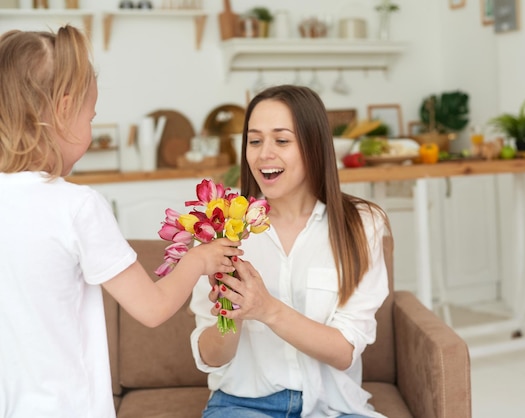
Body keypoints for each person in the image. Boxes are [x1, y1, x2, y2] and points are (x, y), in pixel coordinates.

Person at [0, 25, 243, 417]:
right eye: (90, 117)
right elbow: (153, 308)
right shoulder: (77, 206)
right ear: (63, 111)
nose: (91, 133)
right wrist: (199, 259)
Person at [190, 84, 391, 417]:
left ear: (314, 147)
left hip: (334, 408)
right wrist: (232, 314)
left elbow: (344, 351)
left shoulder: (362, 225)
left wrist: (266, 308)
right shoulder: (221, 227)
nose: (264, 153)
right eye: (254, 141)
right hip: (242, 405)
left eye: (281, 140)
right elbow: (211, 357)